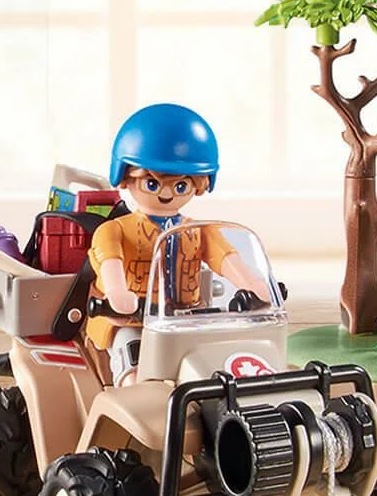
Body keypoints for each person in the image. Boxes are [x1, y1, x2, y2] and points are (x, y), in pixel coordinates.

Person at [87, 103, 270, 385]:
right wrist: (117, 293)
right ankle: (131, 397)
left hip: (187, 322)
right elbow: (110, 263)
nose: (167, 193)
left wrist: (253, 283)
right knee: (134, 369)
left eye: (180, 185)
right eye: (152, 183)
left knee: (214, 370)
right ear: (126, 176)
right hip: (133, 322)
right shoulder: (114, 230)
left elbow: (227, 258)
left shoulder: (198, 231)